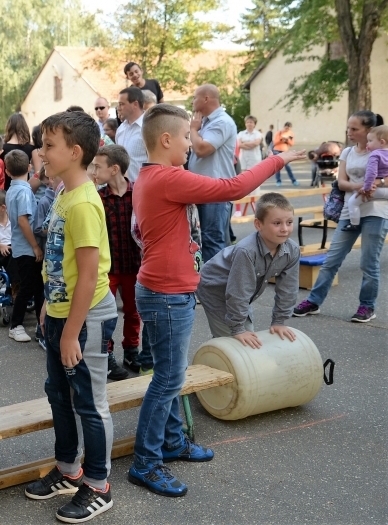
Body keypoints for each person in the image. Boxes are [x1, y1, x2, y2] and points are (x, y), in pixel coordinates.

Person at [128, 103, 304, 497]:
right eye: (187, 137)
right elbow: (234, 189)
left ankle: (171, 443)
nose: (192, 144)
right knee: (168, 379)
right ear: (167, 139)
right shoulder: (166, 178)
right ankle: (146, 462)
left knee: (168, 374)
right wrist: (277, 159)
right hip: (166, 293)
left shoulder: (152, 176)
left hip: (165, 290)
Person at [24, 111, 116, 523]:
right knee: (58, 394)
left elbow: (91, 274)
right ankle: (67, 469)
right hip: (62, 313)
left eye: (48, 145)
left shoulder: (83, 204)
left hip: (87, 318)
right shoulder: (64, 193)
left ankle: (98, 484)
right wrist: (47, 304)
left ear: (75, 152)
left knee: (90, 404)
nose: (41, 152)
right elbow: (59, 264)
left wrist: (70, 333)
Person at [294, 111, 388, 323]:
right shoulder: (347, 152)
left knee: (368, 263)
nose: (349, 132)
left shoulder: (383, 151)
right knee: (331, 260)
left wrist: (377, 184)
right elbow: (341, 182)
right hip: (350, 210)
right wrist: (360, 186)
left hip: (376, 211)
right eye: (348, 128)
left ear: (368, 130)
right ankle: (313, 301)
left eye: (354, 129)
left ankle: (367, 307)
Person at [197, 193, 300, 345]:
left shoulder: (292, 250)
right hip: (214, 289)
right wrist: (237, 328)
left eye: (289, 222)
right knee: (232, 342)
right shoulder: (246, 251)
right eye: (277, 223)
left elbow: (288, 289)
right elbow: (239, 291)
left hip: (239, 290)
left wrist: (279, 321)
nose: (285, 229)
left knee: (249, 335)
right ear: (258, 224)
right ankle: (217, 358)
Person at [93, 144, 139, 380]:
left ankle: (131, 350)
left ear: (114, 169)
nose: (94, 170)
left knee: (133, 312)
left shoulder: (138, 194)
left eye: (98, 166)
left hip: (133, 265)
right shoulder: (98, 197)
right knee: (106, 314)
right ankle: (106, 354)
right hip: (108, 269)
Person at [188, 84, 238, 264]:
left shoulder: (222, 122)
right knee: (203, 240)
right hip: (202, 190)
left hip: (216, 191)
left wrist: (193, 130)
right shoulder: (206, 123)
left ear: (206, 99)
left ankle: (215, 287)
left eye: (195, 97)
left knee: (213, 240)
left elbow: (202, 149)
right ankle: (208, 285)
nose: (193, 101)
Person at [5, 150, 44, 343]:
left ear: (7, 171)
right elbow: (23, 220)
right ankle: (16, 324)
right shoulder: (24, 191)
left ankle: (40, 322)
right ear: (29, 167)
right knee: (30, 287)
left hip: (20, 246)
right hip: (27, 248)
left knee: (35, 287)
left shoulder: (13, 189)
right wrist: (36, 246)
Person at [345, 124, 388, 230]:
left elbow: (371, 173)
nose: (367, 143)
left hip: (376, 190)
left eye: (370, 141)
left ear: (382, 142)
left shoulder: (375, 154)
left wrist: (366, 187)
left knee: (353, 202)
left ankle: (354, 224)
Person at [114, 86, 147, 182]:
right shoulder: (120, 130)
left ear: (135, 104)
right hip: (124, 191)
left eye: (121, 104)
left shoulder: (149, 128)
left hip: (144, 189)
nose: (118, 108)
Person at [0, 113, 38, 191]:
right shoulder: (32, 148)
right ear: (24, 127)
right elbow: (37, 174)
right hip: (24, 189)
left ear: (8, 127)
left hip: (6, 190)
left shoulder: (2, 149)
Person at [272, 122, 298, 186]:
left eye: (288, 128)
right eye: (286, 128)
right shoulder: (279, 132)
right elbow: (275, 142)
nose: (287, 129)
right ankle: (278, 181)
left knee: (288, 166)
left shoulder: (291, 134)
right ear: (284, 127)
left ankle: (293, 180)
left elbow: (292, 144)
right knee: (278, 167)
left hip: (285, 151)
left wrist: (287, 140)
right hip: (277, 150)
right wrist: (281, 139)